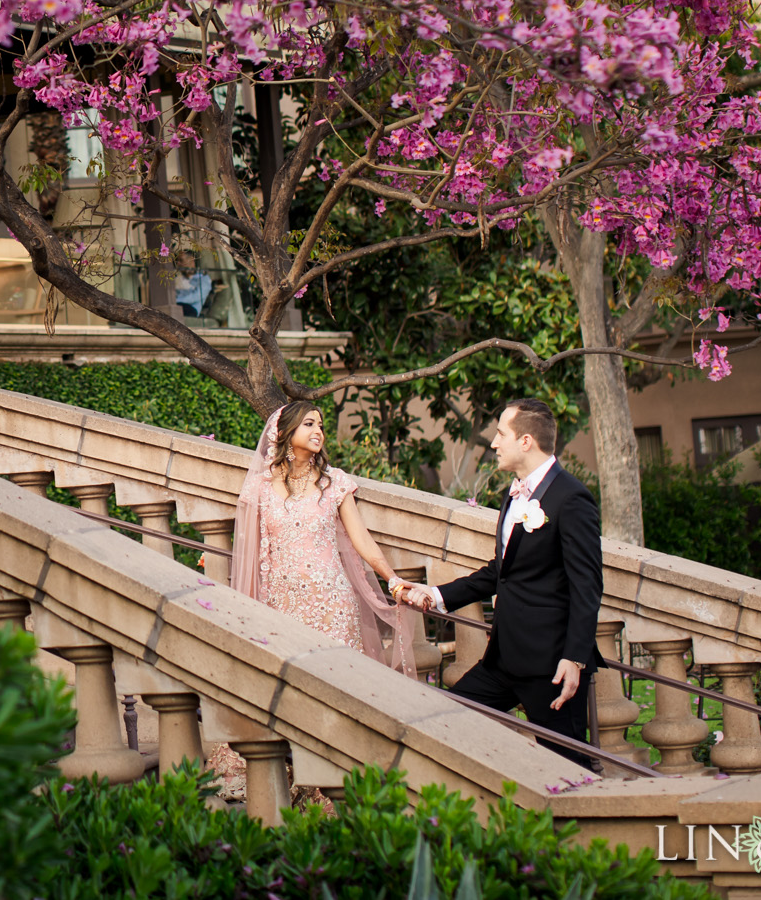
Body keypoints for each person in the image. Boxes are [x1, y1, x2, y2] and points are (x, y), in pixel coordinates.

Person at [204, 401, 416, 798]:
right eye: (308, 423)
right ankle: (293, 772)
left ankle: (332, 781)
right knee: (290, 688)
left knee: (336, 688)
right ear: (283, 433)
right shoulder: (261, 485)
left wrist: (393, 579)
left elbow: (361, 540)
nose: (318, 430)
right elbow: (249, 550)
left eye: (321, 423)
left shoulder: (335, 482)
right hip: (281, 606)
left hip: (333, 603)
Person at [397, 398, 604, 767]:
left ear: (525, 441)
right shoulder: (516, 494)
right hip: (503, 660)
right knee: (446, 719)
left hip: (550, 664)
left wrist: (574, 657)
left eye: (500, 434)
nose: (494, 443)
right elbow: (501, 571)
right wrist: (438, 593)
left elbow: (586, 586)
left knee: (569, 768)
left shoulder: (571, 498)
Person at [171, 251, 213, 320]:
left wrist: (175, 301)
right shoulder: (178, 277)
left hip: (190, 308)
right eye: (176, 261)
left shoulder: (203, 278)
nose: (178, 263)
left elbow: (196, 296)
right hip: (175, 305)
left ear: (191, 260)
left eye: (181, 260)